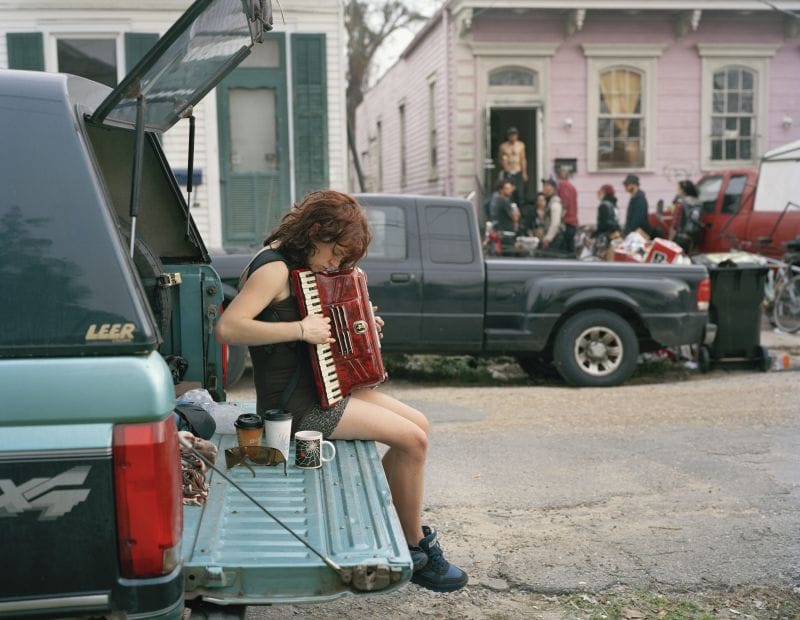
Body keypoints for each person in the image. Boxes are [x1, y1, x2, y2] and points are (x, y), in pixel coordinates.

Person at [215, 190, 469, 593]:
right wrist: (300, 329)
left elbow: (319, 332)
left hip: (320, 386)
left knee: (418, 424)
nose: (336, 264)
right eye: (335, 253)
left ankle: (392, 526)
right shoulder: (274, 269)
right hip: (296, 406)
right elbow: (229, 328)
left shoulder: (297, 265)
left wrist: (362, 325)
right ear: (315, 231)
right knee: (413, 441)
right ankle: (413, 546)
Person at [670, 179, 704, 253]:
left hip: (682, 237)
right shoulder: (699, 202)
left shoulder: (681, 203)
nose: (677, 191)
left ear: (683, 191)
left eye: (678, 189)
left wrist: (670, 240)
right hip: (695, 237)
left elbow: (675, 223)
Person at [497, 127, 527, 205]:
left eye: (514, 135)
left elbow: (523, 159)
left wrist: (524, 173)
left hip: (518, 170)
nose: (513, 137)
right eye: (511, 135)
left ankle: (520, 210)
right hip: (508, 171)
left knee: (520, 193)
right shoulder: (503, 146)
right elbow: (501, 159)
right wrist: (505, 168)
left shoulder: (521, 145)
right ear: (508, 136)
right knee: (508, 192)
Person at [557, 166, 578, 255]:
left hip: (567, 222)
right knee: (571, 249)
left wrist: (560, 218)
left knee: (564, 251)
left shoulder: (562, 186)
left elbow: (565, 203)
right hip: (573, 221)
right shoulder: (572, 187)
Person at [540, 177, 564, 253]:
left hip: (555, 238)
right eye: (544, 185)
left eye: (547, 185)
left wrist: (548, 238)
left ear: (553, 188)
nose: (544, 188)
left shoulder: (555, 203)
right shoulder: (549, 201)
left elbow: (555, 223)